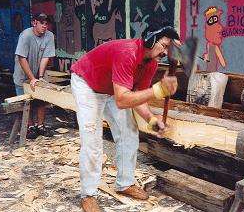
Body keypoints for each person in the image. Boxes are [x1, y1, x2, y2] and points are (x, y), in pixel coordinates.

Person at [70, 22, 180, 212]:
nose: (165, 52)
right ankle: (88, 194)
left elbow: (137, 95)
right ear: (150, 39)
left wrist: (151, 120)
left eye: (167, 48)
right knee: (92, 140)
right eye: (164, 45)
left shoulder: (151, 63)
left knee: (129, 132)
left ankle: (125, 183)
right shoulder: (128, 52)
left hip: (113, 89)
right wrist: (158, 90)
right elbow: (122, 100)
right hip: (88, 83)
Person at [13, 13, 55, 139]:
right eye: (42, 23)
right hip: (22, 73)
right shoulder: (25, 35)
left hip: (37, 72)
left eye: (46, 24)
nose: (45, 26)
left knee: (41, 99)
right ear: (34, 23)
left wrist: (40, 77)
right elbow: (21, 58)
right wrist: (31, 78)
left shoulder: (50, 36)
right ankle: (30, 127)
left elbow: (45, 57)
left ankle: (40, 126)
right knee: (26, 102)